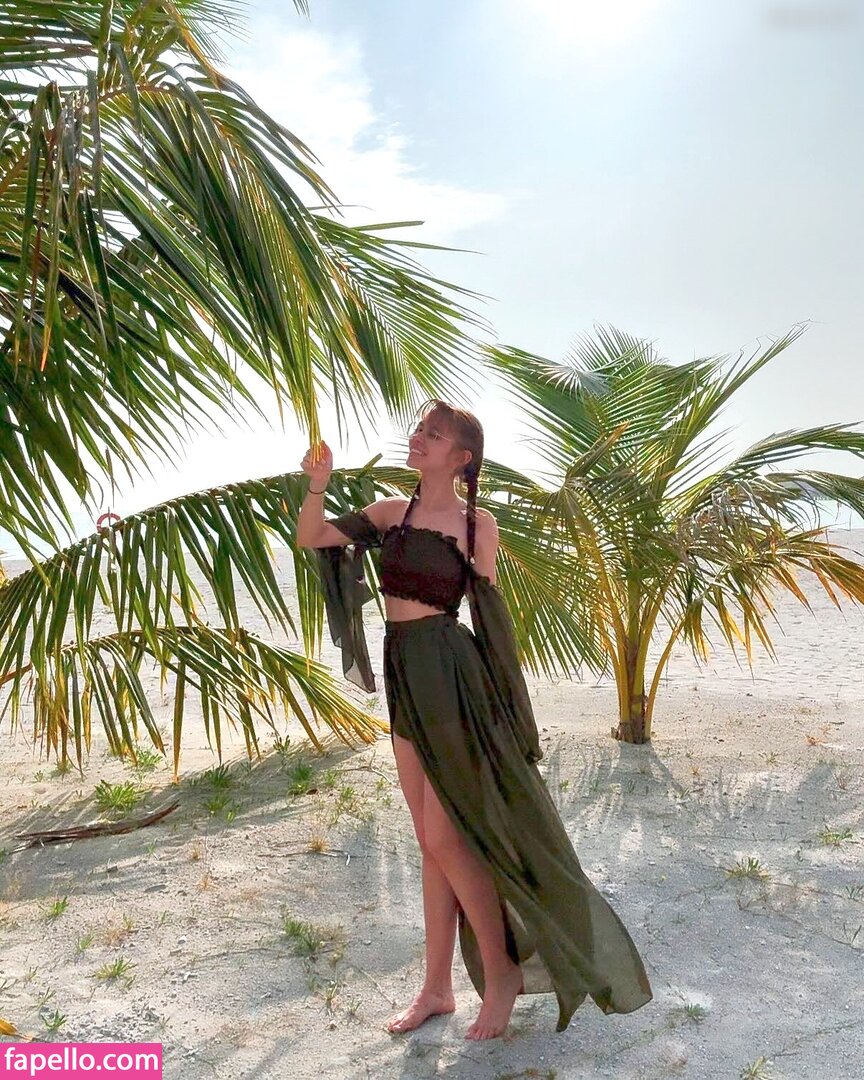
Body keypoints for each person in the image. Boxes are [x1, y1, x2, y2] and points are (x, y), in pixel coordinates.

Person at [296, 400, 652, 1041]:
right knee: (430, 840)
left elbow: (489, 616)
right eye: (419, 430)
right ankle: (436, 988)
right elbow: (313, 537)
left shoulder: (475, 524)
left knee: (443, 835)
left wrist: (504, 706)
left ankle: (502, 971)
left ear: (461, 458)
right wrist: (317, 484)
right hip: (405, 671)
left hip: (452, 676)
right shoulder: (391, 512)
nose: (418, 438)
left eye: (432, 434)